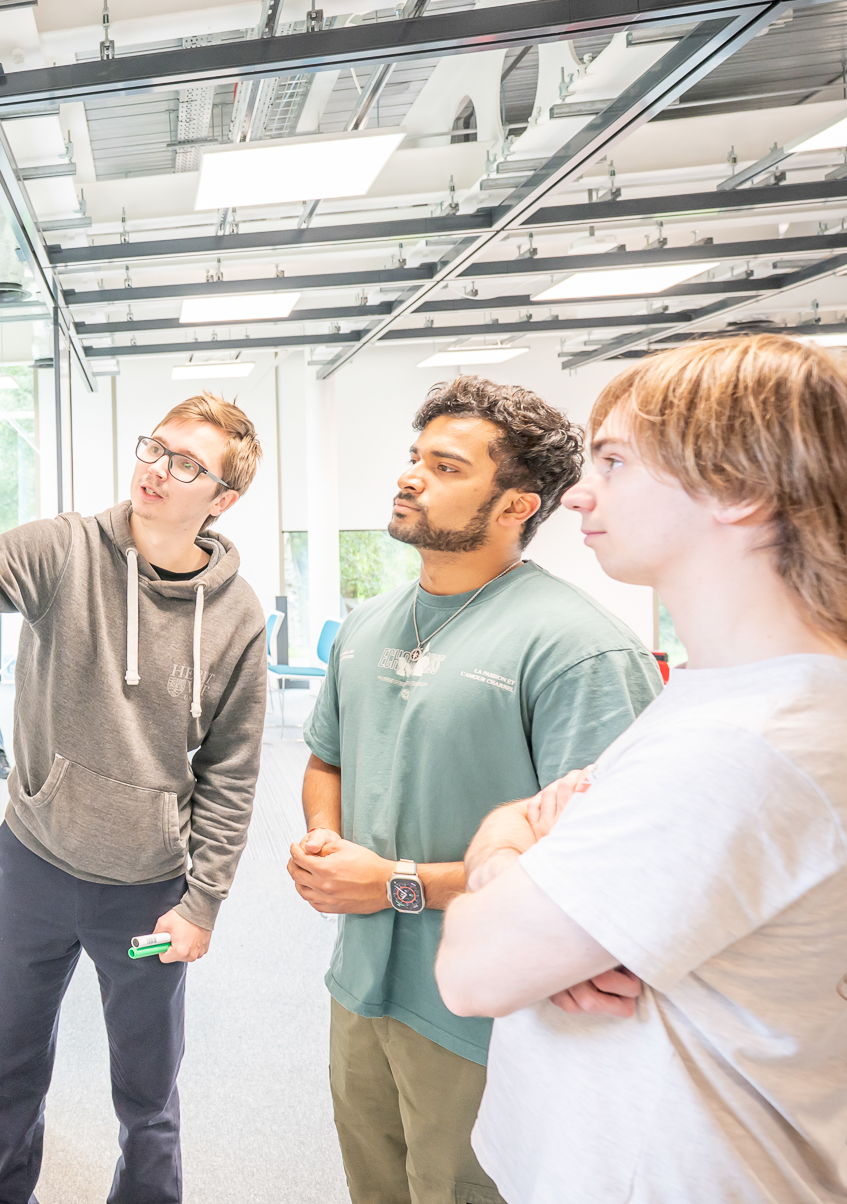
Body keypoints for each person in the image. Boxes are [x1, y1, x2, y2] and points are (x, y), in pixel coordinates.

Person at [0, 389, 269, 1204]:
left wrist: (202, 903)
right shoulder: (66, 547)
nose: (155, 470)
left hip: (145, 895)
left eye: (185, 463)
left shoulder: (237, 616)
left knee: (146, 1095)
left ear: (223, 498)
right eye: (153, 447)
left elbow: (232, 773)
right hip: (33, 870)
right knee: (11, 1070)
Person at [436, 335, 847, 1203]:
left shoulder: (746, 743)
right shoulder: (721, 694)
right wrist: (525, 868)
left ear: (739, 486)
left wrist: (507, 857)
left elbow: (473, 967)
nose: (582, 491)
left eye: (616, 461)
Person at [285, 376, 662, 1204]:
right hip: (363, 989)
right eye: (414, 458)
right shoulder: (367, 624)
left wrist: (394, 882)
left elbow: (599, 869)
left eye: (446, 467)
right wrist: (325, 842)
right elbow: (328, 757)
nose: (410, 477)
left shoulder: (577, 648)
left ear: (515, 505)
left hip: (488, 1015)